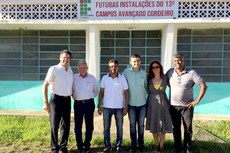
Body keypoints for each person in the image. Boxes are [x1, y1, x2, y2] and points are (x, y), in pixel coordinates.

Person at [166, 54, 207, 153]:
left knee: (187, 128)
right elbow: (165, 82)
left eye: (179, 60)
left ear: (183, 61)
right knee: (176, 128)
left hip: (187, 107)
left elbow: (203, 86)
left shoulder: (191, 73)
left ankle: (187, 147)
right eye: (175, 61)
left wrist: (197, 100)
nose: (177, 62)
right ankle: (177, 147)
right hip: (173, 106)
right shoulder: (170, 72)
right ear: (173, 62)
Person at [43, 49, 73, 153]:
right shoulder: (54, 69)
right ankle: (54, 148)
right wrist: (45, 102)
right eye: (64, 57)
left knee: (65, 125)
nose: (66, 59)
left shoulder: (70, 70)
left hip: (67, 100)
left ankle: (63, 147)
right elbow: (45, 85)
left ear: (70, 59)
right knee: (54, 125)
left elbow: (69, 86)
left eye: (68, 57)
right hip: (56, 100)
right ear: (60, 58)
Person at [97, 59, 129, 153]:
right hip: (106, 107)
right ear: (109, 67)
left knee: (119, 128)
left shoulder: (122, 78)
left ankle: (118, 146)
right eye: (111, 66)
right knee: (106, 128)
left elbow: (126, 93)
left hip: (119, 107)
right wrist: (99, 105)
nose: (113, 68)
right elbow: (101, 93)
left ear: (118, 67)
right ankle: (107, 146)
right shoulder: (104, 78)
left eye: (115, 66)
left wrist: (125, 106)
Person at [146, 61, 173, 153]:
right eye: (153, 67)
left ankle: (162, 146)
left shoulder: (165, 78)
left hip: (163, 104)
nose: (155, 68)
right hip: (152, 104)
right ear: (151, 69)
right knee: (154, 123)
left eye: (157, 67)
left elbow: (174, 87)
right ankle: (156, 145)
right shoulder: (148, 79)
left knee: (162, 125)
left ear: (160, 67)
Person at [122, 54, 147, 152]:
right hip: (131, 104)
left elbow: (146, 88)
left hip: (142, 104)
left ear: (140, 61)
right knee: (132, 125)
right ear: (130, 62)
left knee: (141, 125)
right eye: (134, 61)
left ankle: (141, 144)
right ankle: (133, 145)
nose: (136, 63)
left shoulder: (144, 73)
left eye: (138, 61)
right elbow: (123, 87)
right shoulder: (126, 72)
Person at [72, 60, 98, 153]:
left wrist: (87, 97)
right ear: (78, 68)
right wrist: (76, 97)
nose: (82, 70)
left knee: (89, 126)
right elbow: (71, 90)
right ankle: (79, 146)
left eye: (84, 68)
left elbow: (95, 91)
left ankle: (87, 145)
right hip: (78, 104)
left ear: (87, 68)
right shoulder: (74, 78)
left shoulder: (92, 78)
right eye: (80, 68)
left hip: (89, 104)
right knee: (78, 126)